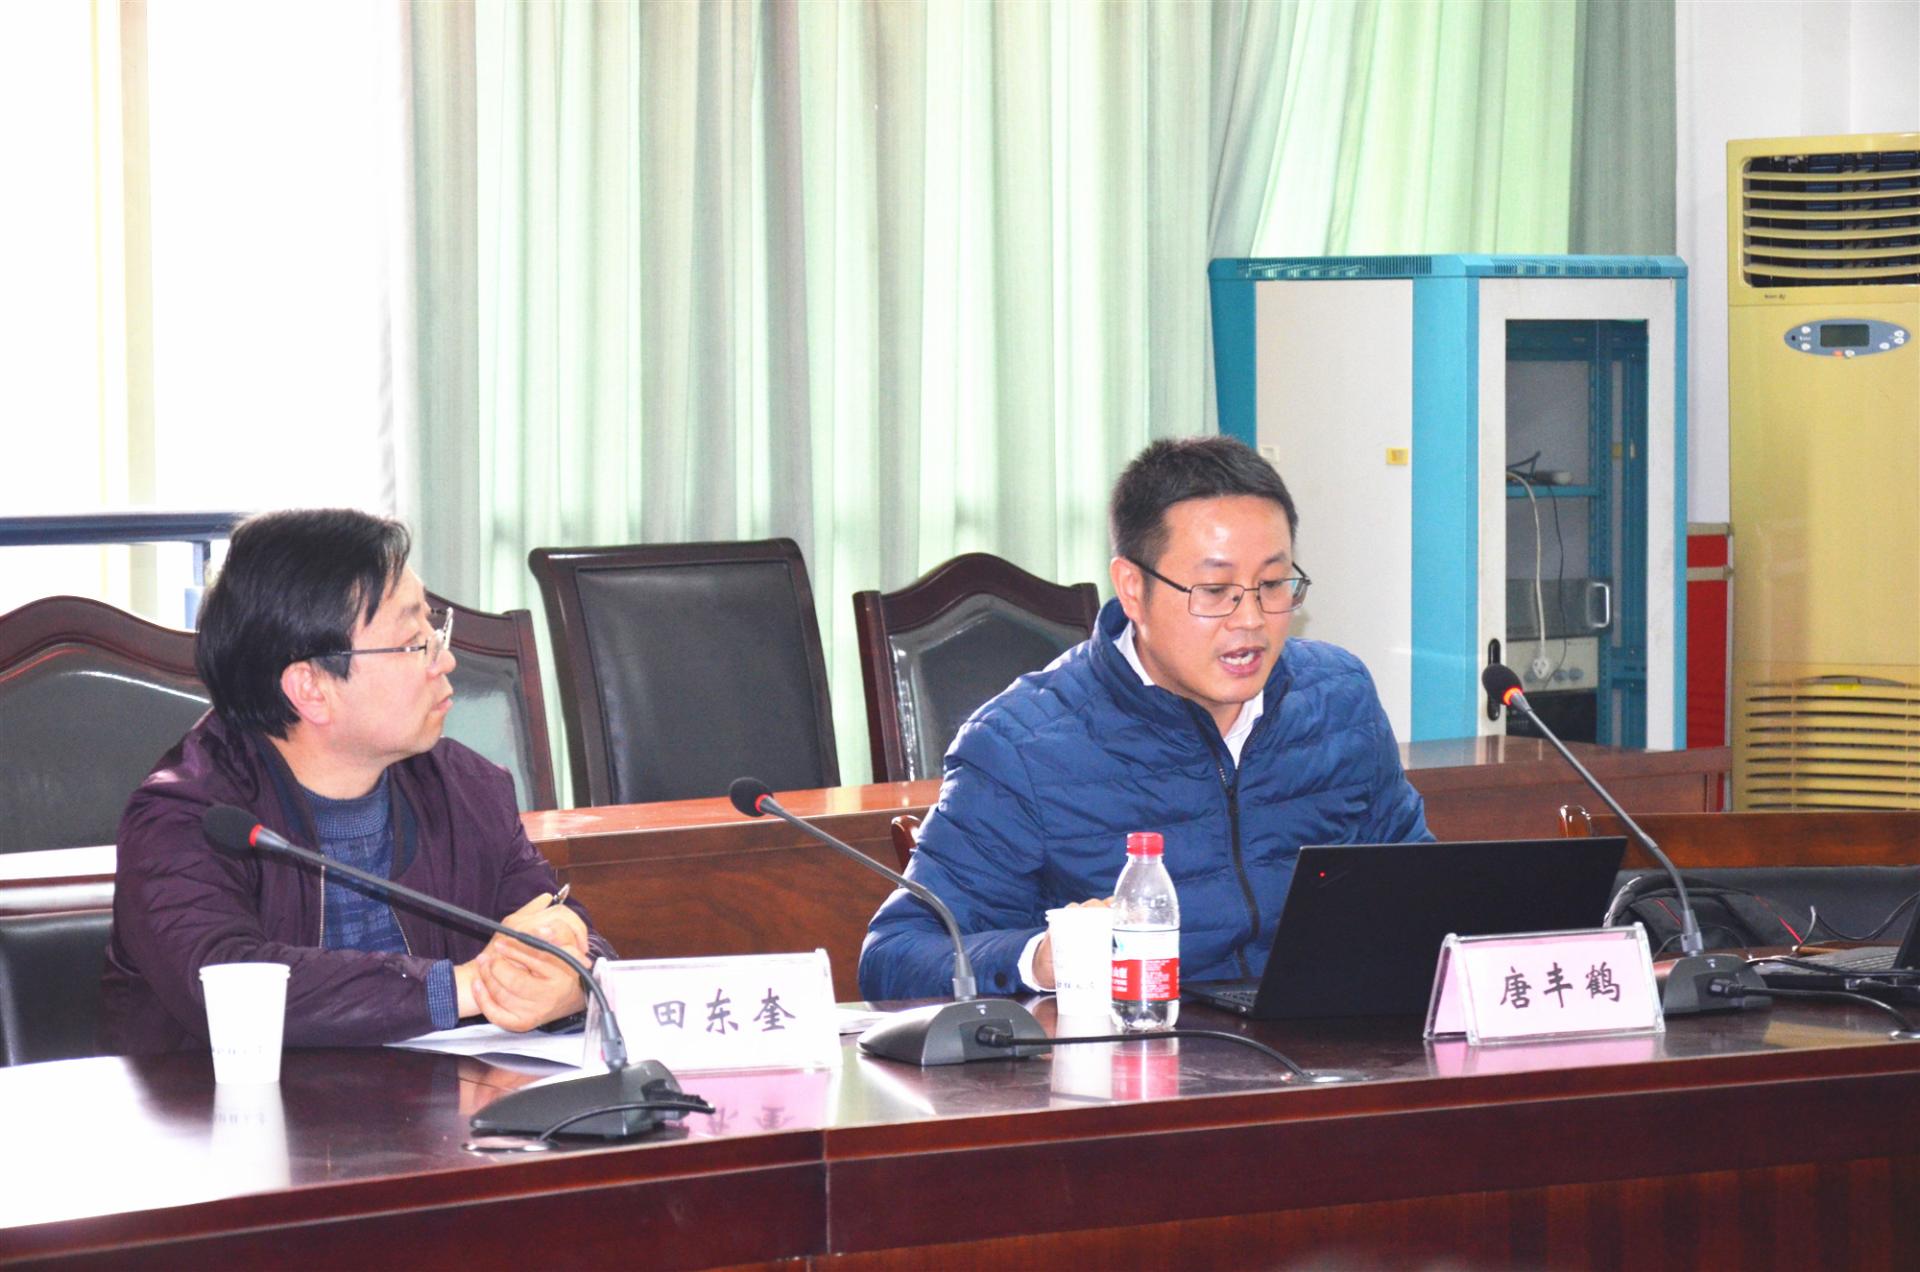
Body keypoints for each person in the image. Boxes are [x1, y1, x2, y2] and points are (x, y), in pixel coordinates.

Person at [859, 435, 1430, 1001]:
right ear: (1133, 589)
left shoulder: (1338, 699)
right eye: (1215, 590)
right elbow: (895, 955)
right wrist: (1043, 958)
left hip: (1325, 1044)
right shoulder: (1020, 746)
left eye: (1273, 584)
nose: (1251, 620)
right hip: (1138, 1050)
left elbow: (1423, 893)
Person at [101, 509, 610, 1053]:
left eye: (435, 630)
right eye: (414, 642)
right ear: (311, 688)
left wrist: (573, 982)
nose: (446, 661)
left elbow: (567, 930)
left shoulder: (467, 789)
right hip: (227, 1106)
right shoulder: (187, 819)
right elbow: (227, 983)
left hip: (438, 1105)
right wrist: (461, 987)